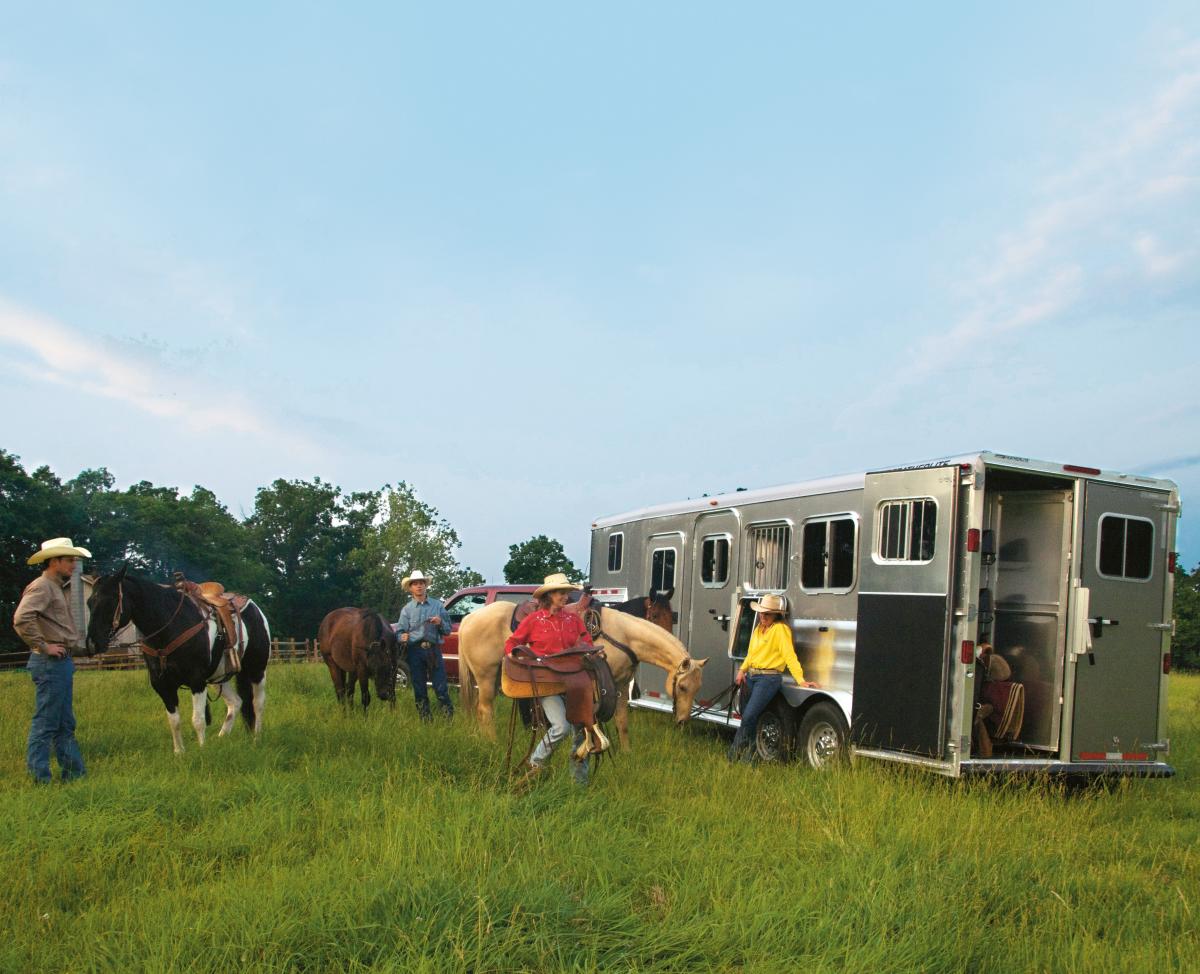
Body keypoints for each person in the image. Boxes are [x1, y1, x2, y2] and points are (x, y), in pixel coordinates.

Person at [12, 538, 92, 784]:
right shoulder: (43, 586)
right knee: (46, 723)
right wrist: (44, 645)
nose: (73, 565)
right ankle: (41, 779)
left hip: (60, 663)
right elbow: (22, 618)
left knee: (64, 723)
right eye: (69, 560)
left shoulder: (56, 586)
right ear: (54, 561)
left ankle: (74, 775)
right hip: (50, 663)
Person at [505, 572, 594, 787]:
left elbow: (586, 639)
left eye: (566, 593)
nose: (565, 597)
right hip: (546, 681)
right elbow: (512, 643)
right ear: (549, 595)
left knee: (583, 731)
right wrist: (514, 654)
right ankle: (536, 762)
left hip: (572, 680)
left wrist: (589, 650)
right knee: (561, 727)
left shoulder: (572, 619)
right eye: (561, 593)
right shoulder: (533, 620)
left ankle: (579, 783)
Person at [728, 593, 816, 762]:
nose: (763, 616)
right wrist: (742, 670)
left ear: (776, 614)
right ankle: (746, 757)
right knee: (748, 717)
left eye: (767, 614)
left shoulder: (781, 630)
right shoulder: (758, 630)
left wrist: (801, 680)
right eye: (761, 613)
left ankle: (735, 755)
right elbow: (751, 654)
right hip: (752, 676)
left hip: (768, 679)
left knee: (748, 716)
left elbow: (790, 656)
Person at [395, 570, 454, 720]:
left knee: (441, 687)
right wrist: (402, 636)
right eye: (415, 584)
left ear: (425, 585)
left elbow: (447, 630)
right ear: (410, 588)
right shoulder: (406, 610)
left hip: (434, 651)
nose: (419, 586)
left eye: (421, 583)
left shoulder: (438, 606)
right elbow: (399, 632)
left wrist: (440, 622)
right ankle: (425, 720)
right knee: (419, 688)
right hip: (415, 652)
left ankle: (448, 719)